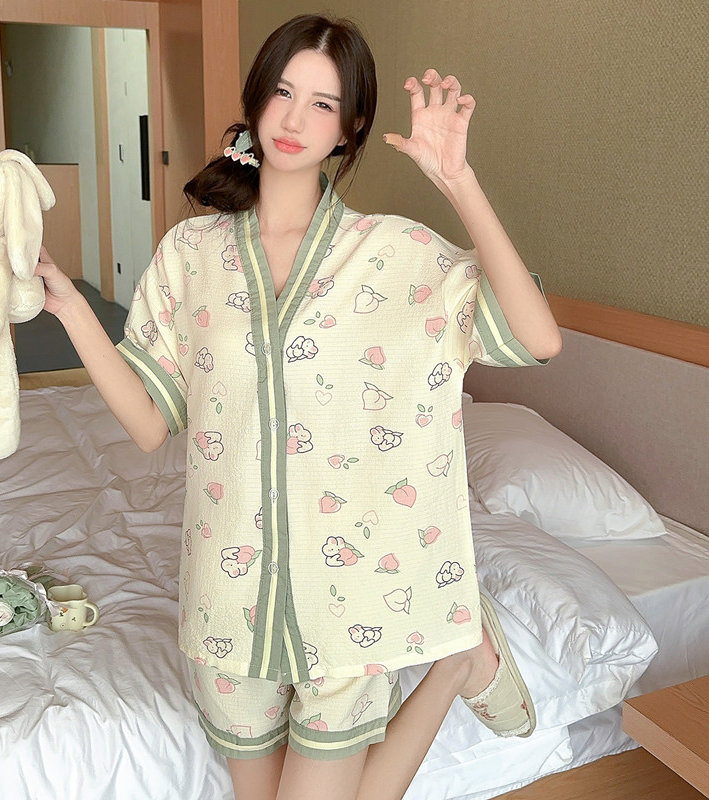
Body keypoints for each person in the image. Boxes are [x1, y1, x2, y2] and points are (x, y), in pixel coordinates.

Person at [35, 13, 561, 800]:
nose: (293, 118)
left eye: (322, 103)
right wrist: (72, 307)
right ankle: (458, 657)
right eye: (282, 92)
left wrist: (458, 181)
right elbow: (148, 424)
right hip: (227, 605)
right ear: (255, 99)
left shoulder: (395, 254)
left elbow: (537, 337)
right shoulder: (190, 255)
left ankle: (454, 657)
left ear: (351, 128)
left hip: (349, 600)